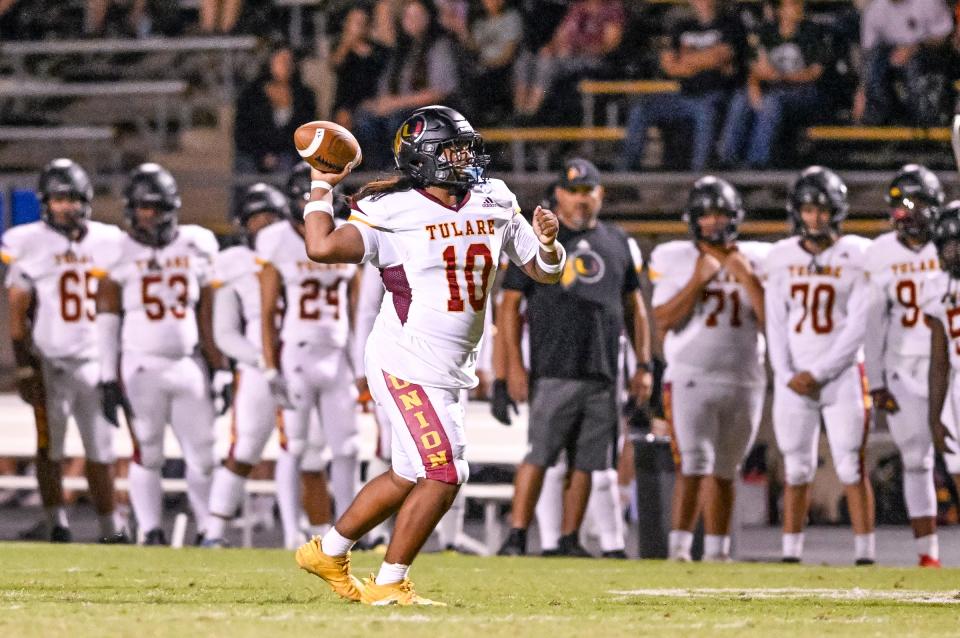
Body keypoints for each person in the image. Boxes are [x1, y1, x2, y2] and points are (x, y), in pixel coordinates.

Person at [293, 105, 563, 605]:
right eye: (451, 150)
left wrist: (549, 244)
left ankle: (327, 552)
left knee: (407, 474)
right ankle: (390, 584)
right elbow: (322, 246)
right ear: (424, 158)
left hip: (450, 365)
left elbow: (543, 271)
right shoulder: (393, 210)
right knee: (445, 472)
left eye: (466, 148)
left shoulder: (495, 198)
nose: (464, 158)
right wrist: (320, 183)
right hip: (405, 358)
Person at [496, 158, 652, 557]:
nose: (582, 199)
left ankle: (568, 538)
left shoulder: (617, 240)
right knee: (540, 454)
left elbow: (635, 308)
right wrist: (510, 367)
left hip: (602, 367)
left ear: (601, 194)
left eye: (589, 190)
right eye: (574, 191)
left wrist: (644, 365)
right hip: (553, 365)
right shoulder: (539, 239)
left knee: (589, 460)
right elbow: (509, 307)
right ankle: (516, 535)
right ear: (558, 195)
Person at [94, 163, 222, 545]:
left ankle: (208, 531)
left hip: (187, 363)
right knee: (147, 451)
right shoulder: (117, 250)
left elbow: (207, 312)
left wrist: (221, 367)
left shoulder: (196, 242)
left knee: (203, 453)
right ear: (131, 209)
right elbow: (107, 317)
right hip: (140, 365)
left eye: (157, 206)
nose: (149, 215)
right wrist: (106, 375)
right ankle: (150, 530)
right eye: (143, 207)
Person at [1, 158, 127, 544]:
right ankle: (55, 522)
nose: (65, 206)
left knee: (101, 450)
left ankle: (110, 529)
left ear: (86, 199)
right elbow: (18, 313)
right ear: (45, 202)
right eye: (57, 199)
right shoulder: (28, 240)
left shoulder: (109, 239)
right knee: (48, 448)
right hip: (50, 363)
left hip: (95, 361)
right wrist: (24, 369)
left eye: (71, 198)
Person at [650, 176, 769, 562]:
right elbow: (663, 318)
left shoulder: (759, 258)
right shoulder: (674, 257)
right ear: (693, 220)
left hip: (744, 376)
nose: (714, 222)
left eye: (722, 214)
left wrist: (748, 278)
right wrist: (697, 282)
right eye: (707, 215)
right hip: (690, 375)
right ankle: (680, 549)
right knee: (693, 464)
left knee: (726, 468)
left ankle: (718, 553)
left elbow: (775, 324)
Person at [764, 166, 876, 565]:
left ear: (837, 211)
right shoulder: (780, 257)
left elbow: (859, 324)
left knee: (851, 464)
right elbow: (774, 322)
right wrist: (785, 372)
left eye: (823, 210)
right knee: (795, 468)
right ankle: (790, 553)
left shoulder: (858, 254)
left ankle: (865, 554)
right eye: (809, 210)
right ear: (797, 212)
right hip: (795, 376)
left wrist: (821, 372)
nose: (815, 218)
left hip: (842, 375)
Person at [258, 161, 360, 549]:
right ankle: (290, 533)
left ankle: (349, 530)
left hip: (336, 355)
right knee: (294, 447)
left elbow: (356, 307)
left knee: (347, 447)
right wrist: (270, 367)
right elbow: (267, 312)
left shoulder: (344, 234)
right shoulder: (276, 241)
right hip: (297, 354)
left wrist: (358, 361)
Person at [864, 165, 944, 567]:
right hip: (903, 370)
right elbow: (871, 323)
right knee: (916, 460)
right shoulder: (877, 253)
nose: (906, 213)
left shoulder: (951, 239)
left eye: (914, 203)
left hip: (951, 366)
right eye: (900, 205)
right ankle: (927, 555)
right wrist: (875, 380)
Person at [202, 183, 289, 548]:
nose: (265, 226)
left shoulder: (301, 251)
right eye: (257, 219)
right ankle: (214, 532)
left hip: (304, 362)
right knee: (245, 449)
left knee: (306, 451)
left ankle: (301, 535)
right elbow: (223, 332)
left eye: (271, 218)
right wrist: (261, 360)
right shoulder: (233, 262)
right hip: (258, 369)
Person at [619, 0, 744, 171]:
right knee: (641, 109)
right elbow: (668, 66)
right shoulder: (682, 26)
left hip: (714, 94)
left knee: (705, 111)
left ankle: (698, 174)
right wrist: (705, 60)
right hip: (683, 95)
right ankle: (626, 173)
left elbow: (721, 56)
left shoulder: (730, 24)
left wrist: (686, 60)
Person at [717, 0, 829, 168]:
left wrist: (781, 77)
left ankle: (756, 164)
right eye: (792, 5)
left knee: (771, 103)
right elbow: (754, 68)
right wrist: (753, 85)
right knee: (741, 98)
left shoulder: (812, 33)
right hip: (771, 89)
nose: (799, 8)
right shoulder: (766, 33)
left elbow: (814, 73)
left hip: (802, 93)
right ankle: (727, 159)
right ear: (781, 10)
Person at [351, 0, 459, 170]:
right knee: (365, 118)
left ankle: (402, 172)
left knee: (397, 122)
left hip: (428, 111)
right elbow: (386, 87)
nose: (412, 21)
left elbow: (438, 92)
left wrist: (394, 104)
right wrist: (378, 104)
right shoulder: (401, 51)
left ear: (428, 17)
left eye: (417, 16)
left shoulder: (439, 47)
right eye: (408, 16)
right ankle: (378, 172)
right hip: (398, 107)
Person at [512, 0, 624, 120]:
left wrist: (577, 49)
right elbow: (560, 35)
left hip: (592, 59)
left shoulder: (612, 10)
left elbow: (609, 45)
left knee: (546, 63)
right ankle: (519, 109)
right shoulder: (577, 8)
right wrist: (551, 48)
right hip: (566, 56)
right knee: (525, 59)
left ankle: (532, 111)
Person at [854, 0, 954, 125]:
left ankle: (926, 118)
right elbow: (869, 53)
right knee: (877, 60)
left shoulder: (929, 2)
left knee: (915, 63)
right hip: (890, 62)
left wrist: (915, 48)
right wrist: (862, 90)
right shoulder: (875, 9)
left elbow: (945, 37)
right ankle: (878, 117)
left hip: (929, 58)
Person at [923, 200, 960, 520]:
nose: (952, 252)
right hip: (958, 388)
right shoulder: (937, 287)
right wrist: (935, 416)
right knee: (957, 467)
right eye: (947, 244)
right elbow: (939, 361)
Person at [234, 43, 318, 174]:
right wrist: (262, 155)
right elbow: (243, 132)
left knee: (288, 164)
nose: (286, 66)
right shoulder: (251, 95)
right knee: (245, 164)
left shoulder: (305, 96)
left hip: (288, 153)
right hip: (256, 153)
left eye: (289, 61)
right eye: (281, 61)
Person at [443, 0, 524, 125]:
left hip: (502, 67)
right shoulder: (481, 22)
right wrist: (461, 30)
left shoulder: (511, 18)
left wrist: (488, 64)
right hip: (482, 66)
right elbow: (474, 46)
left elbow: (509, 53)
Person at [330, 4, 393, 131]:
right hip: (345, 106)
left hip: (371, 104)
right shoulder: (341, 48)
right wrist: (347, 43)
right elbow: (335, 64)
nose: (358, 26)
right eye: (354, 22)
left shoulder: (379, 50)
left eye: (362, 22)